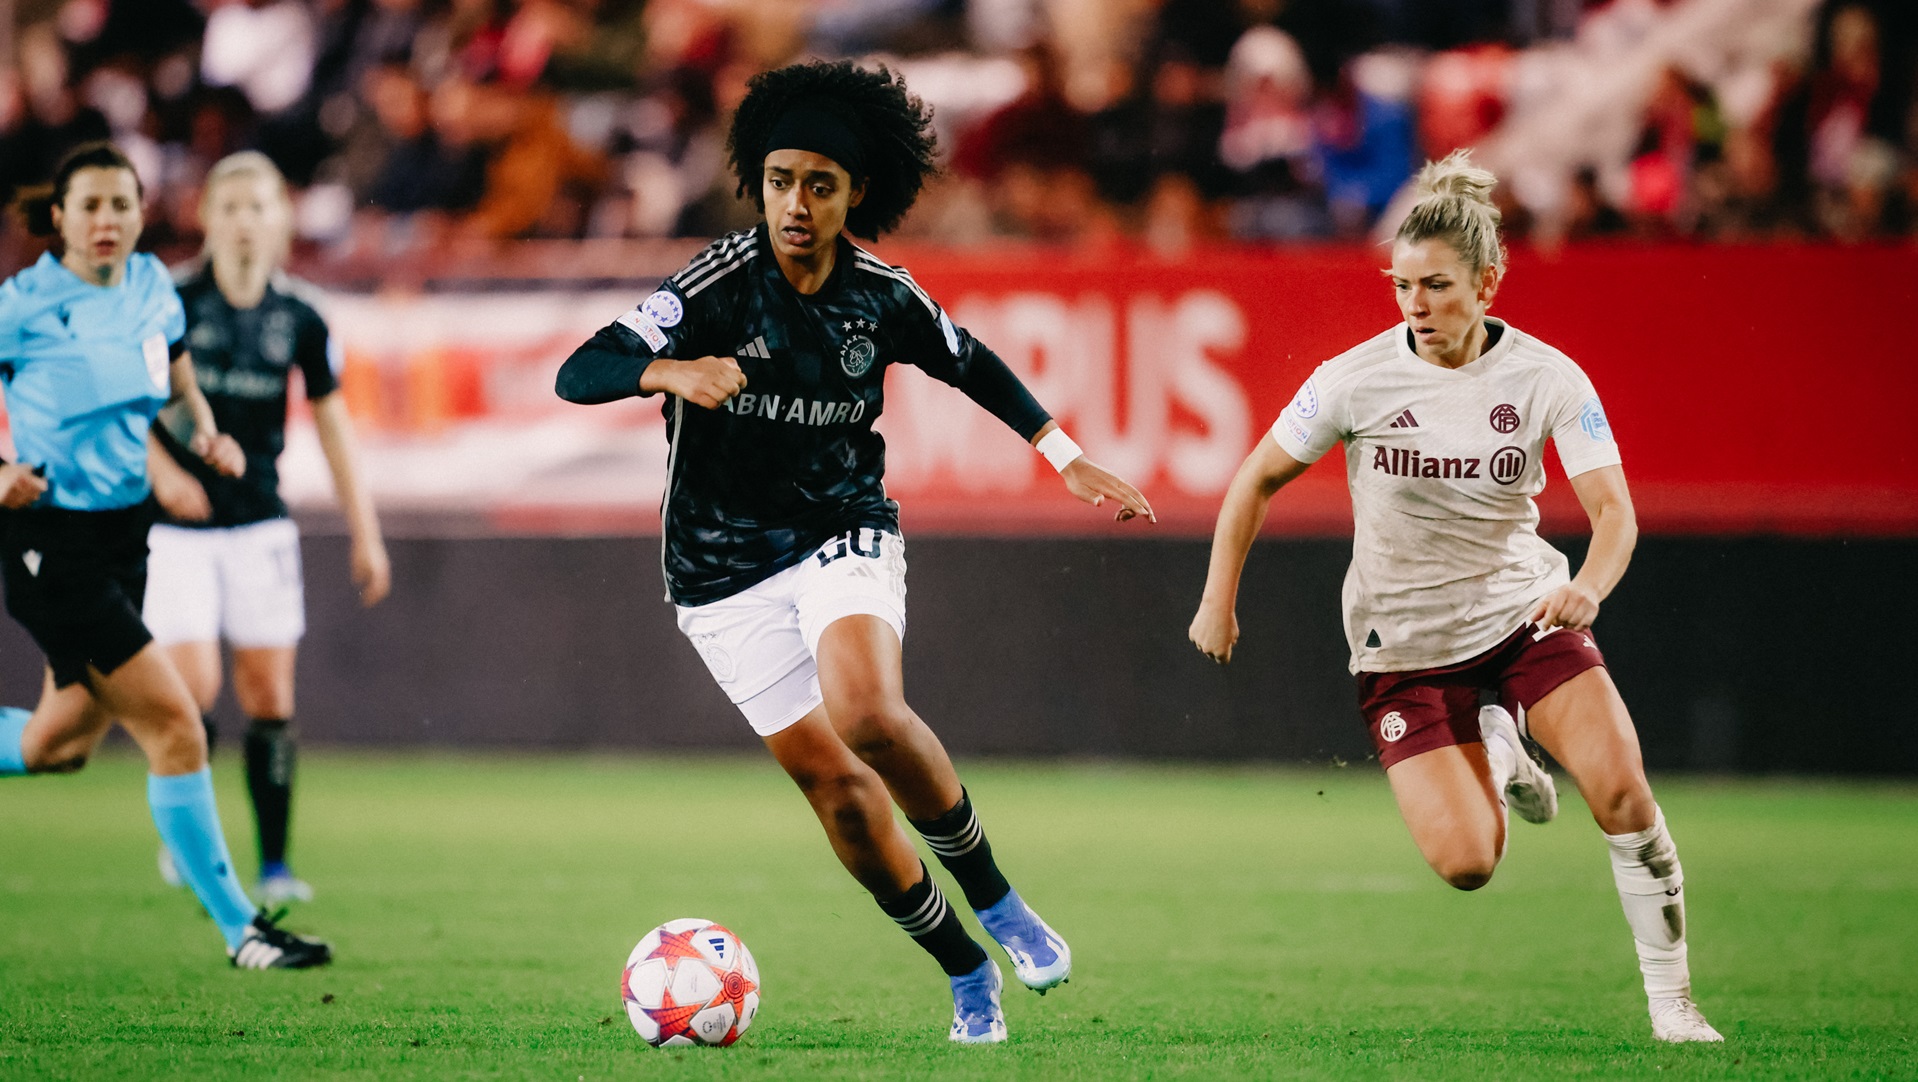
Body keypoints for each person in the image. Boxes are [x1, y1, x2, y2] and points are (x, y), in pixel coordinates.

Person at [557, 60, 1154, 1044]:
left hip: (841, 527)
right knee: (838, 795)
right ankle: (965, 968)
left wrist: (1064, 454)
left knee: (867, 711)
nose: (796, 203)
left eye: (820, 185)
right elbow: (580, 369)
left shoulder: (881, 295)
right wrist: (668, 370)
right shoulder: (713, 284)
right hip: (718, 571)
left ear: (854, 194)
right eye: (780, 181)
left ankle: (999, 902)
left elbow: (970, 364)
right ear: (759, 184)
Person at [1187, 150, 1722, 1044]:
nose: (1416, 305)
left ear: (1488, 283)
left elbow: (1613, 514)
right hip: (1403, 649)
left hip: (1525, 618)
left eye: (1436, 286)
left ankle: (1673, 1003)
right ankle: (1500, 745)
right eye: (1402, 286)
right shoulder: (1353, 378)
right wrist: (1218, 600)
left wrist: (1587, 587)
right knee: (1468, 864)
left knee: (1623, 794)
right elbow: (1254, 480)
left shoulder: (1548, 378)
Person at [0, 142, 330, 969]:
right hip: (51, 542)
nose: (106, 220)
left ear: (142, 213)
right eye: (89, 206)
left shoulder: (152, 287)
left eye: (121, 204)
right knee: (178, 726)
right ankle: (243, 930)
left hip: (124, 540)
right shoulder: (24, 304)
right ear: (59, 218)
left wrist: (206, 434)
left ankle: (242, 924)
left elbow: (177, 386)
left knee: (56, 747)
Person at [145, 151, 391, 906]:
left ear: (281, 220)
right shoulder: (170, 302)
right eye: (231, 207)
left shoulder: (303, 317)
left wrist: (365, 532)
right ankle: (189, 844)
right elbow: (124, 403)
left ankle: (275, 868)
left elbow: (334, 426)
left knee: (269, 697)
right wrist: (164, 474)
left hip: (259, 526)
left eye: (259, 207)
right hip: (176, 529)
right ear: (206, 218)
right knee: (193, 688)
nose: (245, 222)